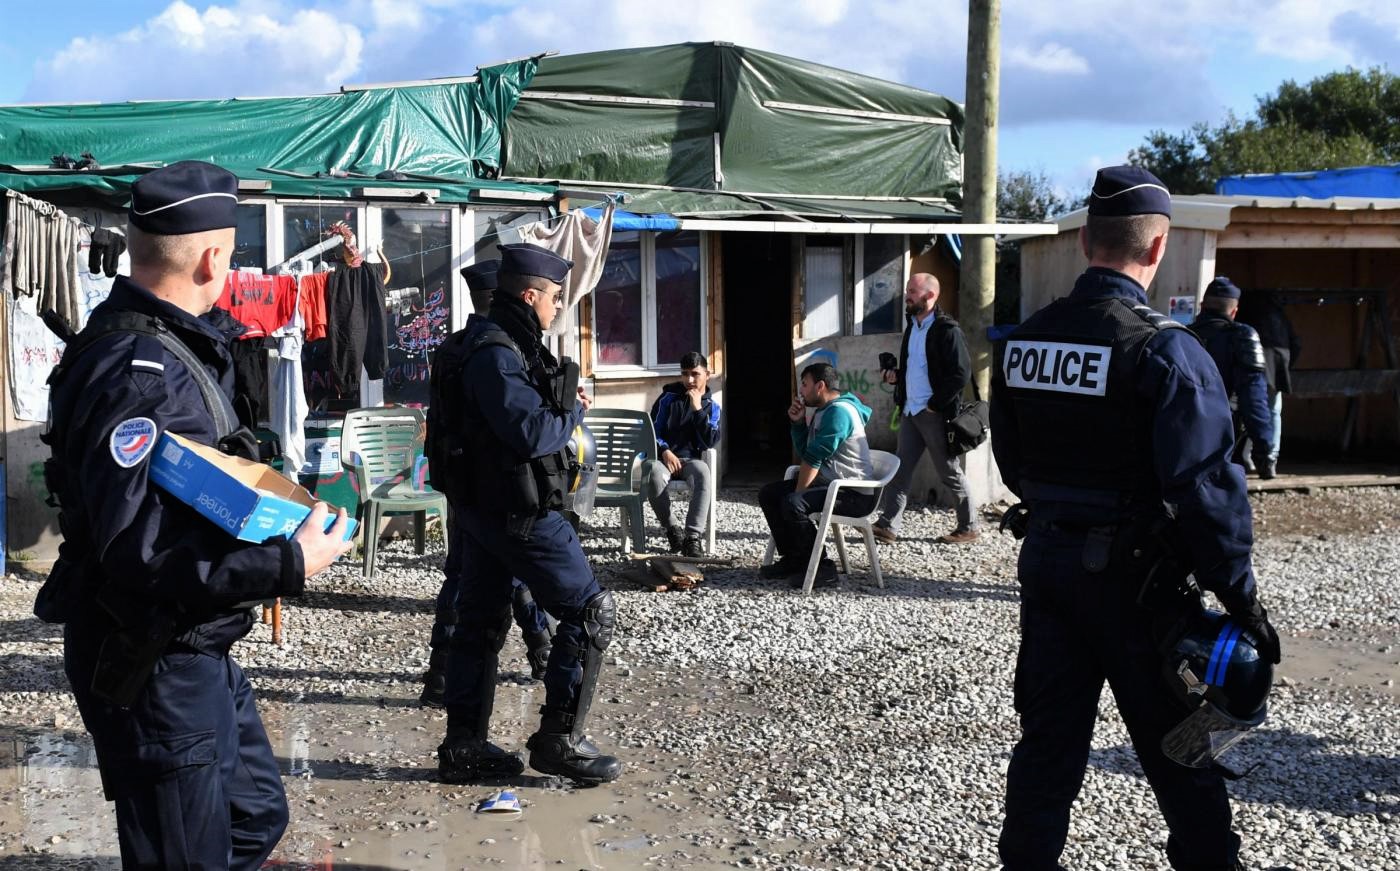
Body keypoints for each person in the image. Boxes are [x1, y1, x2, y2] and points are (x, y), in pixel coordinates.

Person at [35, 161, 353, 870]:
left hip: (192, 644)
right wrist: (289, 561)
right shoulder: (137, 367)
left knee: (254, 816)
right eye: (232, 252)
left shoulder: (161, 344)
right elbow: (137, 547)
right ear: (214, 257)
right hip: (152, 657)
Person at [991, 166, 1281, 871]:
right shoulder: (1166, 350)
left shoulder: (1024, 343)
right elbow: (1207, 490)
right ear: (1156, 251)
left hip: (1049, 571)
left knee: (1047, 747)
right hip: (1137, 587)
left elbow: (1013, 463)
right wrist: (1241, 598)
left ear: (1086, 238)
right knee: (1182, 749)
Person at [433, 242, 622, 784]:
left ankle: (464, 747)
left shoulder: (474, 344)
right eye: (556, 298)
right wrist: (568, 407)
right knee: (590, 613)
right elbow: (533, 433)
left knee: (480, 626)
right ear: (530, 294)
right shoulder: (495, 353)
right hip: (519, 513)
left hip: (482, 510)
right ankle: (560, 741)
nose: (559, 307)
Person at [419, 259, 554, 708]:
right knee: (510, 577)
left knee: (460, 576)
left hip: (460, 486)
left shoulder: (454, 348)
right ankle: (542, 653)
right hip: (498, 488)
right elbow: (525, 428)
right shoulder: (500, 351)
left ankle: (441, 674)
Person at [872, 273, 978, 544]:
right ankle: (887, 526)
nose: (907, 296)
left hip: (935, 415)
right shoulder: (913, 326)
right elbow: (915, 368)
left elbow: (961, 373)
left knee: (949, 472)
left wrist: (935, 404)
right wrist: (896, 375)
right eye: (908, 290)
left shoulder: (947, 330)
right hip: (910, 410)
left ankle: (969, 527)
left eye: (912, 291)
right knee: (900, 468)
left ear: (930, 296)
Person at [758, 363, 876, 589]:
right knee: (769, 494)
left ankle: (822, 568)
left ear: (820, 386)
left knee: (793, 503)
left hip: (852, 493)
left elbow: (814, 457)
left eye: (804, 384)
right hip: (830, 484)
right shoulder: (824, 411)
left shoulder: (839, 412)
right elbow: (806, 452)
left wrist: (799, 493)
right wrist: (799, 424)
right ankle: (795, 559)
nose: (800, 391)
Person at [1189, 277, 1274, 479]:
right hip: (1222, 435)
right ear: (1234, 311)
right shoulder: (1241, 336)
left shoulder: (1181, 336)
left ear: (1202, 306)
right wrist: (1264, 449)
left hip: (1181, 435)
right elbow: (1254, 400)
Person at [642, 351, 722, 557]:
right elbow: (652, 430)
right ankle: (673, 530)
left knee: (704, 473)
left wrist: (697, 410)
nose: (689, 380)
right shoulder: (668, 398)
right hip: (664, 458)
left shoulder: (712, 407)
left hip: (691, 461)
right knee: (652, 474)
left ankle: (693, 538)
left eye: (695, 374)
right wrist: (665, 450)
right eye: (685, 374)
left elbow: (709, 441)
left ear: (707, 374)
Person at [1236, 287, 1301, 478]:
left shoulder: (1246, 314)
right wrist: (1286, 367)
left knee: (1250, 412)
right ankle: (1270, 458)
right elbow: (1296, 343)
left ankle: (1248, 456)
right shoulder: (1280, 316)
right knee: (1273, 413)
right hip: (1277, 370)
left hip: (1252, 371)